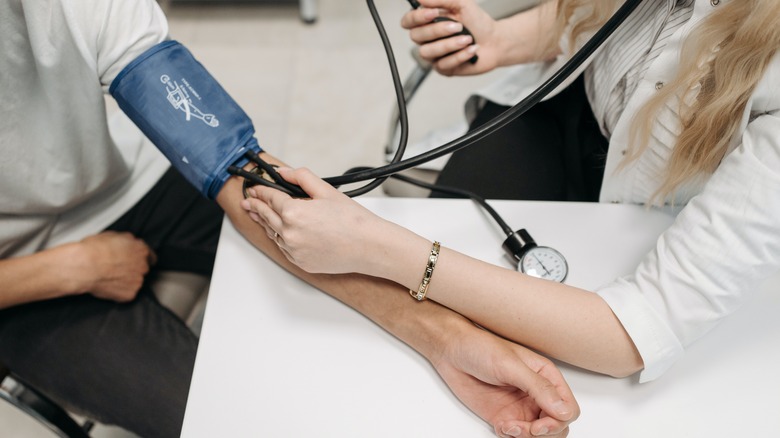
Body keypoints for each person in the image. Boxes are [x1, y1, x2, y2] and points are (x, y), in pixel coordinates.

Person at [0, 1, 579, 437]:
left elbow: (233, 167)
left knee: (319, 236)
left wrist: (446, 338)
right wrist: (71, 269)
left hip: (136, 178)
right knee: (234, 422)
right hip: (22, 279)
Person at [241, 0, 780, 400]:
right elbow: (616, 17)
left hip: (647, 211)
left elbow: (634, 333)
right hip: (561, 113)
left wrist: (373, 244)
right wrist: (502, 40)